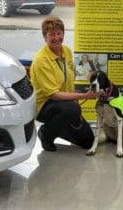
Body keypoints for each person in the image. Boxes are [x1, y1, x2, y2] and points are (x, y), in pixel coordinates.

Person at [30, 16, 103, 151]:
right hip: (44, 106)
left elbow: (70, 81)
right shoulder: (41, 60)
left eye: (59, 33)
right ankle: (46, 134)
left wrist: (76, 106)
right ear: (45, 37)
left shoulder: (67, 51)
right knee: (72, 109)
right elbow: (53, 95)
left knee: (88, 142)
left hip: (65, 105)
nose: (57, 37)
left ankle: (59, 125)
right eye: (52, 34)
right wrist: (85, 96)